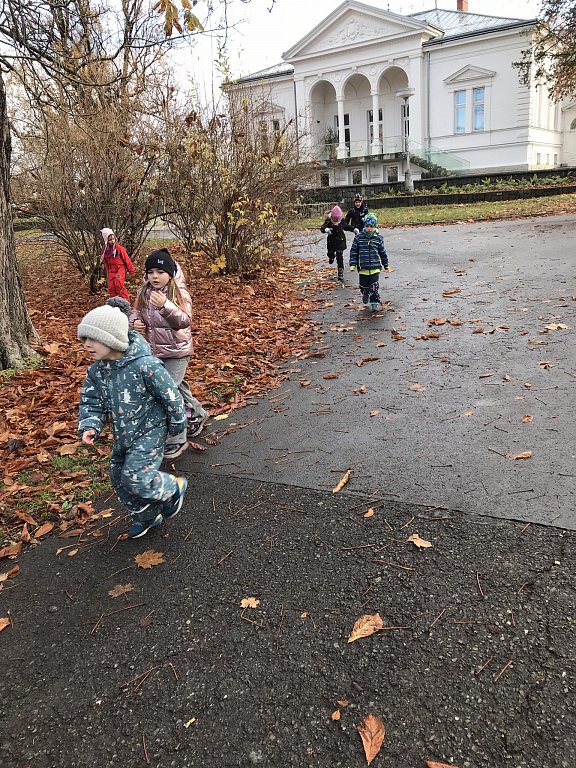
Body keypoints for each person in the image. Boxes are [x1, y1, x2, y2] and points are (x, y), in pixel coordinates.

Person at [77, 298, 188, 539]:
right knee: (118, 477)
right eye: (84, 339)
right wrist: (90, 424)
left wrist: (177, 423)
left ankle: (172, 488)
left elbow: (170, 394)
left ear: (112, 338)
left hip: (150, 430)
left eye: (93, 339)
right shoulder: (97, 371)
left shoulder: (145, 366)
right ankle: (147, 515)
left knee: (136, 476)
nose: (87, 345)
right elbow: (92, 401)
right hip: (123, 434)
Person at [130, 249, 203, 460]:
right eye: (151, 272)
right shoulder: (143, 292)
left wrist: (165, 306)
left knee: (167, 392)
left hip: (177, 351)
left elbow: (184, 321)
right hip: (155, 350)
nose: (155, 276)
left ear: (169, 274)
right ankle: (197, 414)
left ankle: (177, 438)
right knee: (176, 387)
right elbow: (135, 313)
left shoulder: (178, 292)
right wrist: (134, 322)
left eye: (160, 272)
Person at [349, 212, 390, 312]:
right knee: (363, 286)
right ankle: (365, 292)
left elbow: (382, 253)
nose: (369, 228)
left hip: (375, 267)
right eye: (367, 226)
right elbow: (354, 251)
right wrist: (353, 264)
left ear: (375, 227)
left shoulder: (378, 239)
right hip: (363, 267)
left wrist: (386, 264)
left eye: (371, 226)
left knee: (374, 286)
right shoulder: (359, 238)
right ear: (364, 226)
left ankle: (374, 303)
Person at [320, 205, 355, 283]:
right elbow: (322, 228)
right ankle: (331, 257)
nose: (336, 222)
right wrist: (326, 229)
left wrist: (353, 229)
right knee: (330, 253)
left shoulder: (342, 221)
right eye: (334, 220)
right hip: (331, 242)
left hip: (340, 241)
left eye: (337, 220)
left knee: (340, 257)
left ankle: (340, 271)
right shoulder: (328, 221)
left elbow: (347, 227)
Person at [100, 228, 135, 301]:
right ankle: (115, 302)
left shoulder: (119, 248)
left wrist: (131, 270)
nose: (112, 241)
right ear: (106, 241)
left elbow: (127, 259)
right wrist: (108, 269)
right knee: (111, 287)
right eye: (110, 240)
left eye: (113, 239)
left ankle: (125, 301)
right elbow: (106, 261)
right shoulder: (105, 251)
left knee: (119, 284)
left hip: (119, 269)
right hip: (111, 270)